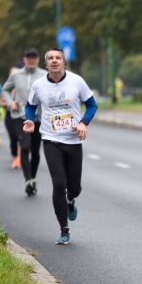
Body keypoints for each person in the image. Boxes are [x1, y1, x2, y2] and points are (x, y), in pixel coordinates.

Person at [23, 47, 98, 245]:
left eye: (58, 58)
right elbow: (30, 106)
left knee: (74, 187)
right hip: (50, 139)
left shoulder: (77, 81)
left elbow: (92, 105)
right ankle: (64, 230)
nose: (55, 61)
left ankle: (71, 200)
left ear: (64, 63)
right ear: (46, 64)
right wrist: (30, 120)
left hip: (73, 141)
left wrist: (83, 122)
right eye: (51, 58)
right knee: (58, 183)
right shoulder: (39, 85)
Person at [2, 48, 47, 194]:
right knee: (25, 146)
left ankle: (33, 178)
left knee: (35, 150)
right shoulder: (16, 75)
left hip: (38, 117)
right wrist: (10, 103)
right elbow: (5, 90)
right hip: (20, 116)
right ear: (24, 59)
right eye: (29, 58)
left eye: (34, 58)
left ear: (38, 60)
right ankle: (27, 180)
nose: (31, 60)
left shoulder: (44, 75)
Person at [0, 63, 24, 168]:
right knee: (13, 137)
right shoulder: (6, 88)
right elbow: (2, 102)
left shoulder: (24, 86)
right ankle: (15, 156)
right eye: (12, 73)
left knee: (23, 138)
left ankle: (22, 152)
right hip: (10, 115)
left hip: (22, 115)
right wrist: (8, 103)